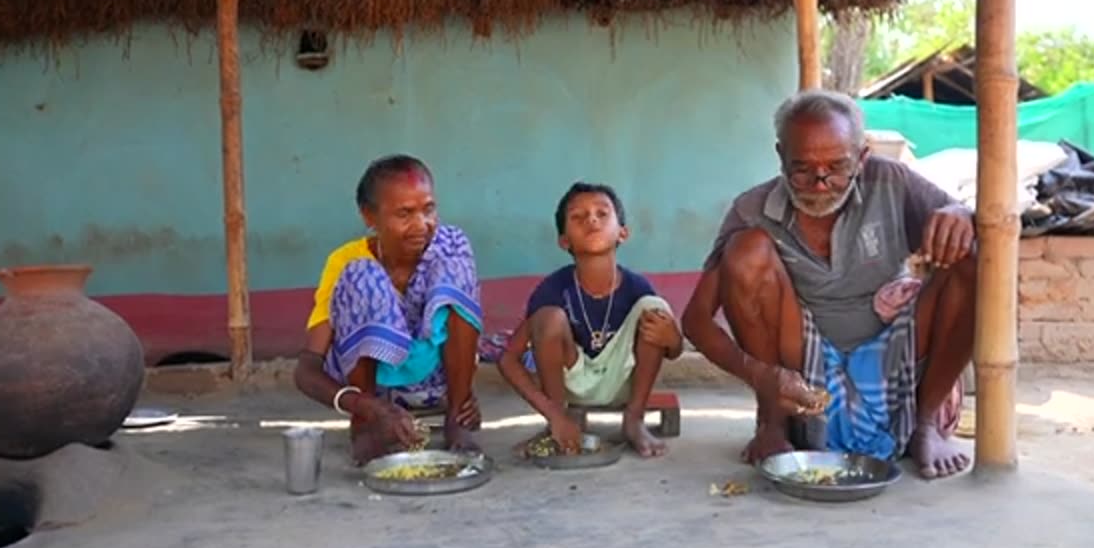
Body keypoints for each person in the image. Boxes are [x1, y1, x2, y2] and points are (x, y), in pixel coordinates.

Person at [681, 90, 975, 479]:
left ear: (863, 156)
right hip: (807, 362)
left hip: (896, 348)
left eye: (837, 167)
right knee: (747, 250)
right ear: (780, 156)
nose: (820, 184)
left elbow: (976, 233)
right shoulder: (752, 210)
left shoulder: (891, 181)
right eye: (802, 169)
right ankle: (773, 424)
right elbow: (696, 320)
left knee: (971, 256)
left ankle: (926, 425)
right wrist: (760, 375)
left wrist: (962, 215)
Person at [294, 154, 484, 465]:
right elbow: (306, 370)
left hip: (433, 383)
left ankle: (457, 417)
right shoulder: (345, 261)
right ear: (370, 217)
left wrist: (462, 393)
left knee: (455, 245)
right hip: (372, 394)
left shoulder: (443, 252)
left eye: (428, 209)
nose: (421, 225)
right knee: (361, 274)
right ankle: (366, 430)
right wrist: (364, 407)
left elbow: (462, 323)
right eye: (404, 213)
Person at [498, 182, 684, 458]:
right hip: (570, 385)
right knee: (549, 318)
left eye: (602, 213)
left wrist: (675, 341)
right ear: (564, 240)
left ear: (623, 232)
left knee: (654, 308)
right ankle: (558, 422)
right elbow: (507, 359)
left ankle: (634, 419)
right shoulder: (552, 289)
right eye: (578, 217)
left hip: (623, 382)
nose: (592, 220)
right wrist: (552, 413)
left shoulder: (636, 287)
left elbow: (672, 348)